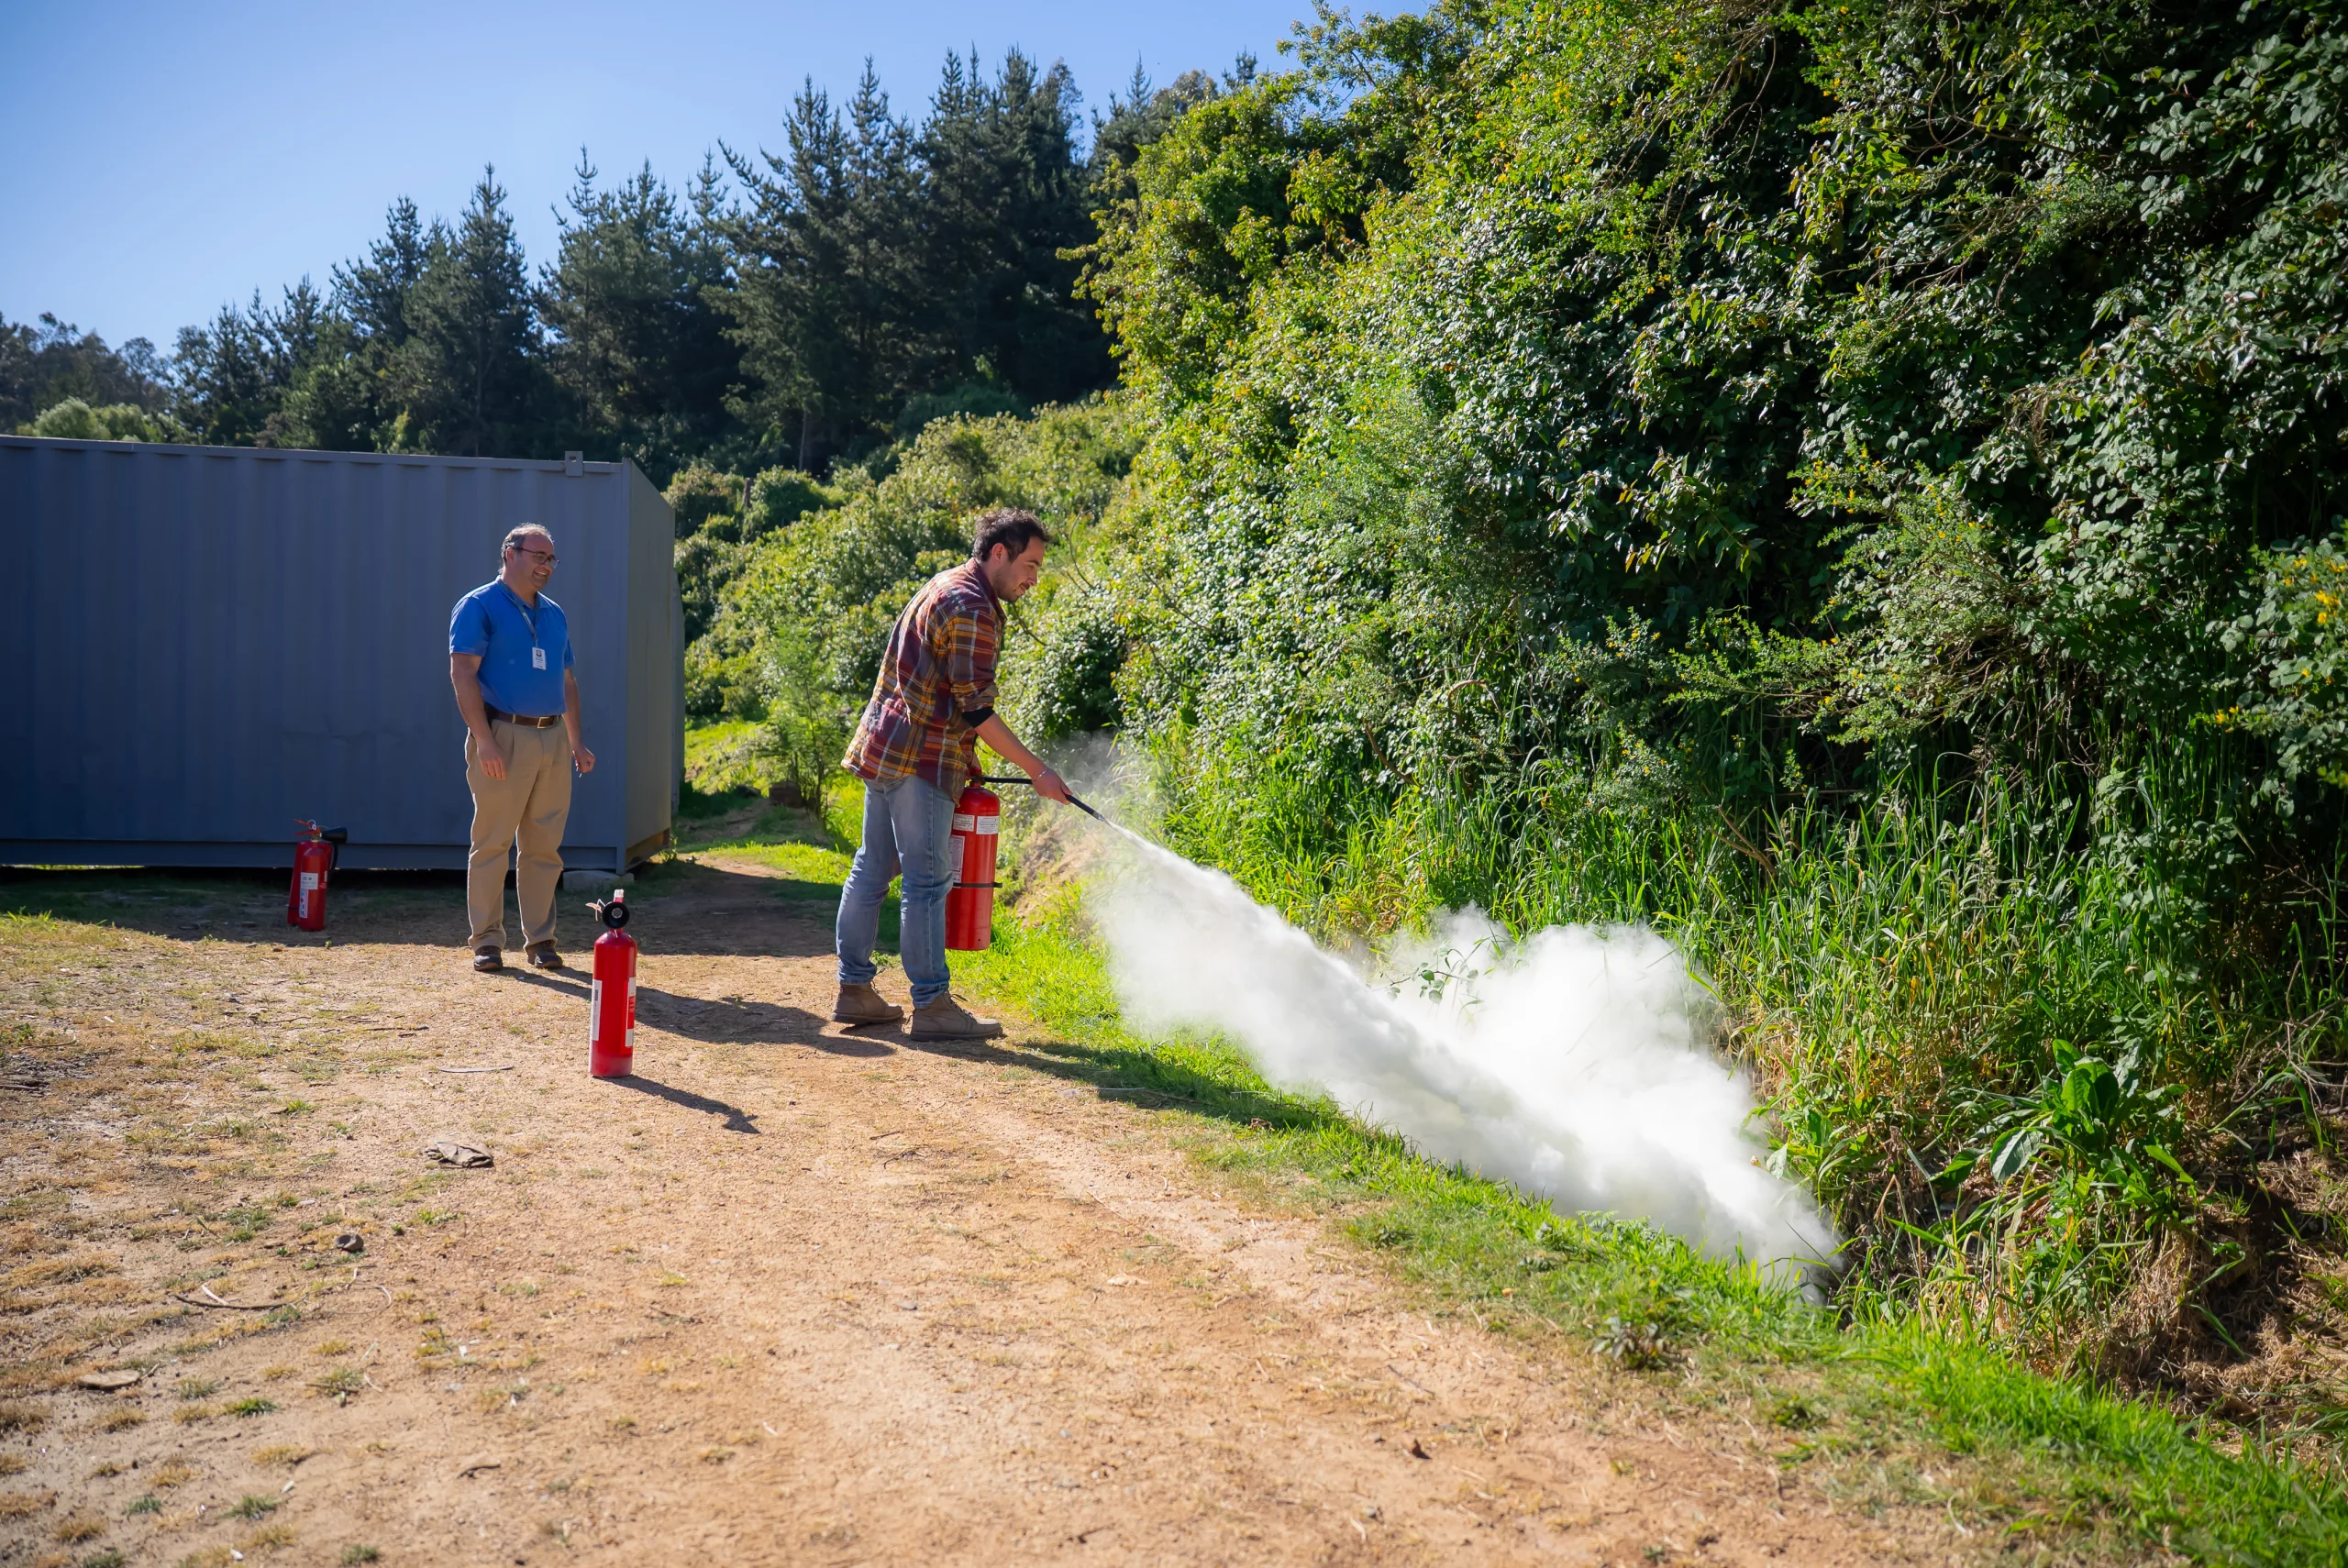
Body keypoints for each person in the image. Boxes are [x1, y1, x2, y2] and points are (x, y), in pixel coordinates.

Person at [835, 508, 1070, 1037]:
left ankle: (854, 990)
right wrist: (1038, 771)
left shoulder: (949, 584)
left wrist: (970, 755)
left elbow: (943, 693)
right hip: (921, 760)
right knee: (927, 879)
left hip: (886, 747)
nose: (1034, 577)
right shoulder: (972, 609)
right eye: (1030, 564)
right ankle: (933, 1005)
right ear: (999, 553)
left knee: (873, 867)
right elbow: (976, 707)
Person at [448, 524, 595, 974]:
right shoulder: (479, 606)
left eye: (552, 559)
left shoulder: (554, 614)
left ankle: (541, 940)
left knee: (543, 847)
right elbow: (463, 674)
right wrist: (485, 741)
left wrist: (575, 740)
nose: (546, 566)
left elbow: (566, 681)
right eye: (539, 556)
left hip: (551, 738)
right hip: (503, 736)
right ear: (510, 553)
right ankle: (487, 942)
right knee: (492, 842)